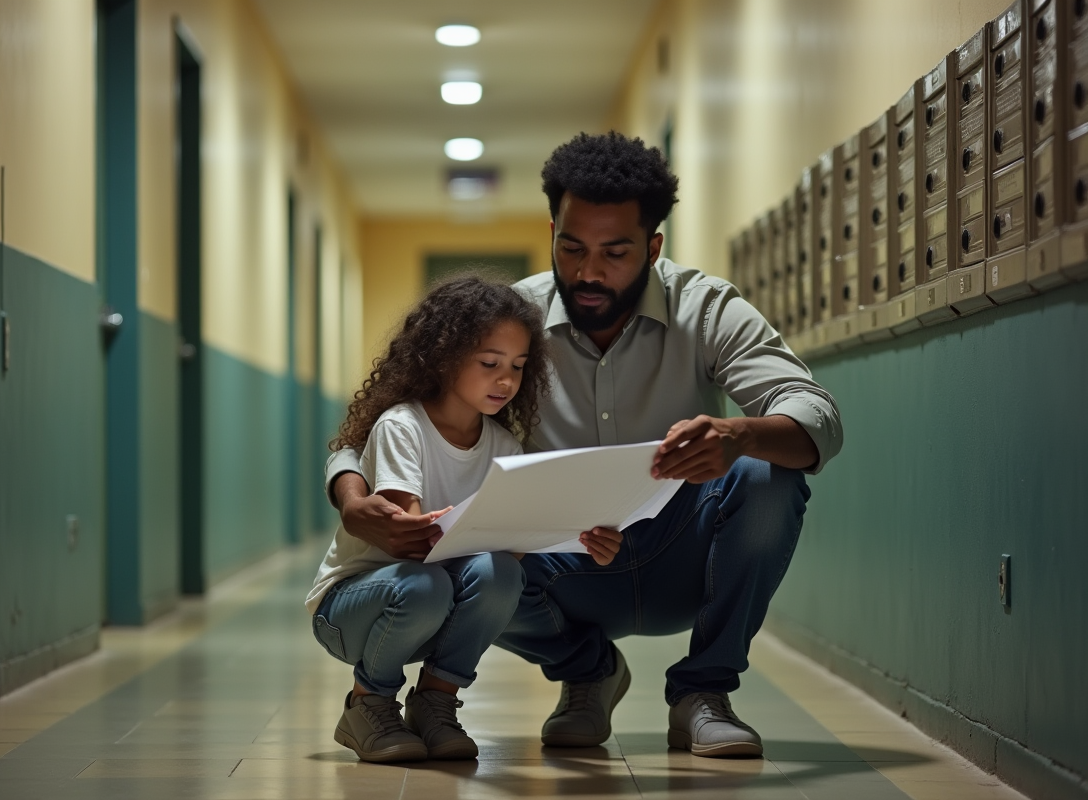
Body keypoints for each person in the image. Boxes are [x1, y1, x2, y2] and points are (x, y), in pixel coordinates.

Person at [326, 132, 843, 758]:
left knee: (769, 475)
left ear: (654, 247)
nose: (587, 271)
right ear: (552, 231)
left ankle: (703, 693)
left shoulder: (705, 307)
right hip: (560, 564)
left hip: (682, 549)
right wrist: (352, 498)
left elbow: (816, 416)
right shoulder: (515, 319)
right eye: (570, 247)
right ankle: (587, 673)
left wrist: (740, 435)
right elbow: (386, 414)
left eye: (615, 252)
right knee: (480, 566)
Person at [308, 275, 624, 764]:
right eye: (490, 363)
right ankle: (366, 704)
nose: (507, 380)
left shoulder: (504, 446)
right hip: (351, 610)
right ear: (443, 357)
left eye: (518, 367)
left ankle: (435, 702)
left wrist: (571, 534)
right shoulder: (402, 426)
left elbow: (505, 546)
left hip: (427, 607)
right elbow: (410, 545)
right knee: (425, 582)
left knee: (502, 573)